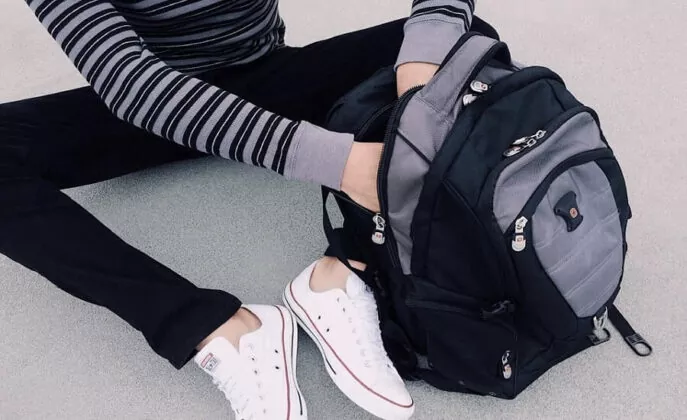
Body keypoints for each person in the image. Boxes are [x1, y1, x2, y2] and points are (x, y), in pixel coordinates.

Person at [0, 1, 491, 418]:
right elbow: (130, 81)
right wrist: (339, 164)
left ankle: (345, 268)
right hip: (148, 102)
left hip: (269, 79)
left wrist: (419, 94)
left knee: (465, 44)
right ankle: (221, 329)